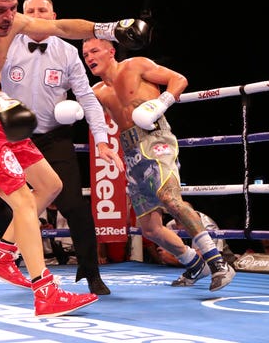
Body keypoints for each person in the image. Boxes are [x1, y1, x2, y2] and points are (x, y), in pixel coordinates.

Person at [0, 0, 148, 317]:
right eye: (0, 10)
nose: (7, 17)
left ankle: (2, 256)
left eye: (12, 9)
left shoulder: (13, 23)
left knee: (51, 185)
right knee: (25, 201)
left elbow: (62, 29)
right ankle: (45, 293)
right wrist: (2, 103)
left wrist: (107, 28)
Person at [81, 37, 235, 291]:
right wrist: (102, 144)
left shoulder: (136, 65)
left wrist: (160, 103)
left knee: (171, 199)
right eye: (85, 54)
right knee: (150, 228)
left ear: (111, 51)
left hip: (156, 138)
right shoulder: (97, 92)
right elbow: (94, 120)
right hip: (129, 150)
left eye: (94, 51)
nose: (89, 57)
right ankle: (194, 263)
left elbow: (179, 80)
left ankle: (217, 262)